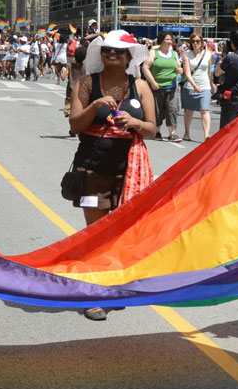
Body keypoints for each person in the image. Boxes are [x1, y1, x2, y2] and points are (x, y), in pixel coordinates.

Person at [68, 30, 157, 320]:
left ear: (130, 57)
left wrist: (134, 122)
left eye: (119, 52)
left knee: (120, 232)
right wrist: (94, 105)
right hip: (92, 168)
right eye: (108, 51)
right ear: (101, 54)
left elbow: (153, 128)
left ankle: (113, 285)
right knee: (96, 233)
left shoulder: (141, 86)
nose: (113, 55)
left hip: (129, 170)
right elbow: (75, 125)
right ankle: (92, 295)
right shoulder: (87, 83)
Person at [144, 32, 183, 142]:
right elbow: (145, 68)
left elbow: (178, 67)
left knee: (173, 109)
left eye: (171, 39)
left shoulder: (174, 54)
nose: (169, 41)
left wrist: (180, 70)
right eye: (167, 39)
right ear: (161, 40)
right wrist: (152, 82)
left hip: (172, 87)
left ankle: (172, 134)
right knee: (157, 111)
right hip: (157, 88)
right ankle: (156, 132)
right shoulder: (153, 53)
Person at [180, 32, 214, 141]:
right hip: (190, 86)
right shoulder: (187, 55)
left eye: (197, 41)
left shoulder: (208, 54)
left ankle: (206, 135)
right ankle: (187, 133)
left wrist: (212, 84)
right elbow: (187, 73)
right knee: (189, 110)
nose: (195, 43)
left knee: (205, 110)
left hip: (205, 86)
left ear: (202, 42)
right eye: (193, 41)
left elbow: (208, 72)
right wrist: (194, 85)